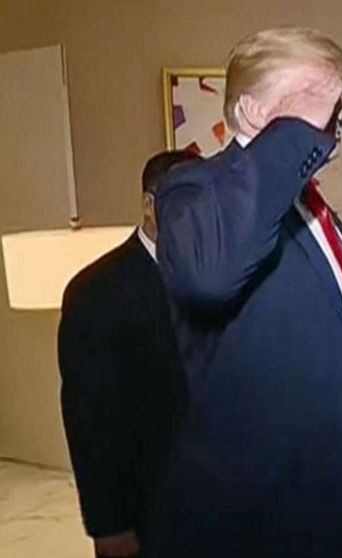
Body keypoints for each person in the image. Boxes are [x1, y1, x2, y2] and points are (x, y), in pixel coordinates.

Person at [145, 28, 342, 558]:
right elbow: (211, 276)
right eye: (315, 103)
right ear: (253, 112)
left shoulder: (310, 205)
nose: (330, 124)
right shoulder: (194, 190)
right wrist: (292, 132)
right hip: (264, 508)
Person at [58, 149, 199, 558]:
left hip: (216, 506)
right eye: (184, 200)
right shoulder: (96, 292)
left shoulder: (216, 279)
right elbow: (90, 420)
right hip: (143, 512)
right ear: (149, 206)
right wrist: (110, 526)